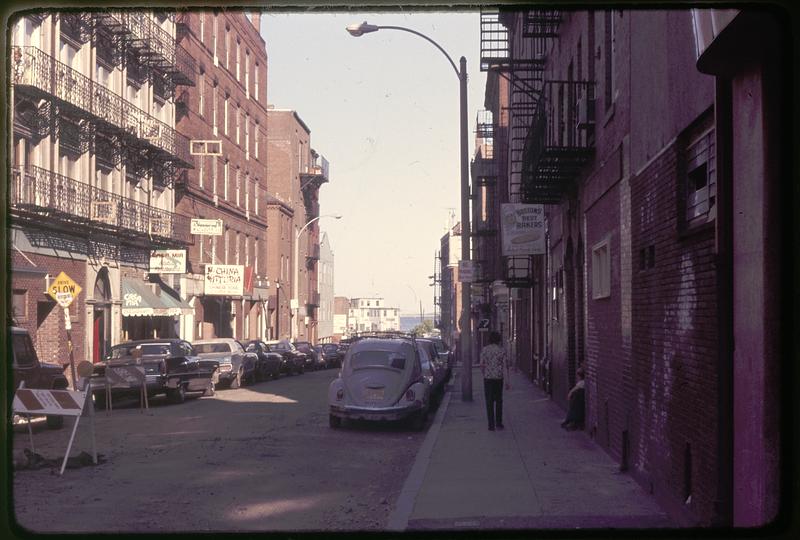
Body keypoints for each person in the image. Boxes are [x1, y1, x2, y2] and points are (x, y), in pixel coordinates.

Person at [479, 331, 510, 431]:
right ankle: (499, 423)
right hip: (498, 378)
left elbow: (481, 364)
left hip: (488, 379)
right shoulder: (502, 350)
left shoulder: (485, 350)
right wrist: (507, 381)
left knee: (489, 401)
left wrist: (484, 373)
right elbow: (505, 366)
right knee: (499, 400)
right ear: (499, 340)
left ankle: (491, 425)